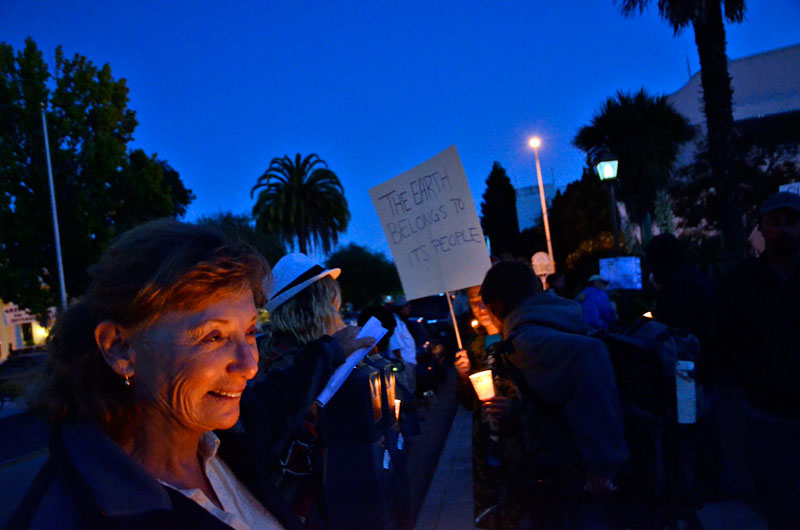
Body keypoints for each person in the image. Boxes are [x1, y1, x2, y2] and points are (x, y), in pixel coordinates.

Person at [6, 220, 370, 530]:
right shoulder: (81, 514)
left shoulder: (222, 444)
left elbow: (280, 397)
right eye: (213, 336)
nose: (250, 364)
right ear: (120, 348)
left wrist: (334, 349)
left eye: (248, 332)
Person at [480, 261, 628, 529]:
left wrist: (600, 464)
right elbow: (556, 394)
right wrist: (517, 407)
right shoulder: (557, 318)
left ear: (493, 309)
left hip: (575, 479)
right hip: (573, 475)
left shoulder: (525, 340)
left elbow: (590, 355)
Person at [258, 252, 365, 526]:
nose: (337, 314)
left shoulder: (303, 357)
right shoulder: (291, 365)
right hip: (299, 508)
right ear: (317, 307)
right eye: (333, 305)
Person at [713, 191, 800, 529]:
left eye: (792, 222)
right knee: (779, 504)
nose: (784, 230)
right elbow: (724, 345)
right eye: (775, 222)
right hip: (766, 413)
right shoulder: (740, 283)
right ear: (762, 228)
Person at [454, 286, 526, 529]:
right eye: (474, 302)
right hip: (486, 442)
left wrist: (515, 406)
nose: (481, 309)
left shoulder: (518, 339)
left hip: (519, 443)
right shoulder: (474, 346)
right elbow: (469, 403)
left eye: (485, 301)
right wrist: (464, 376)